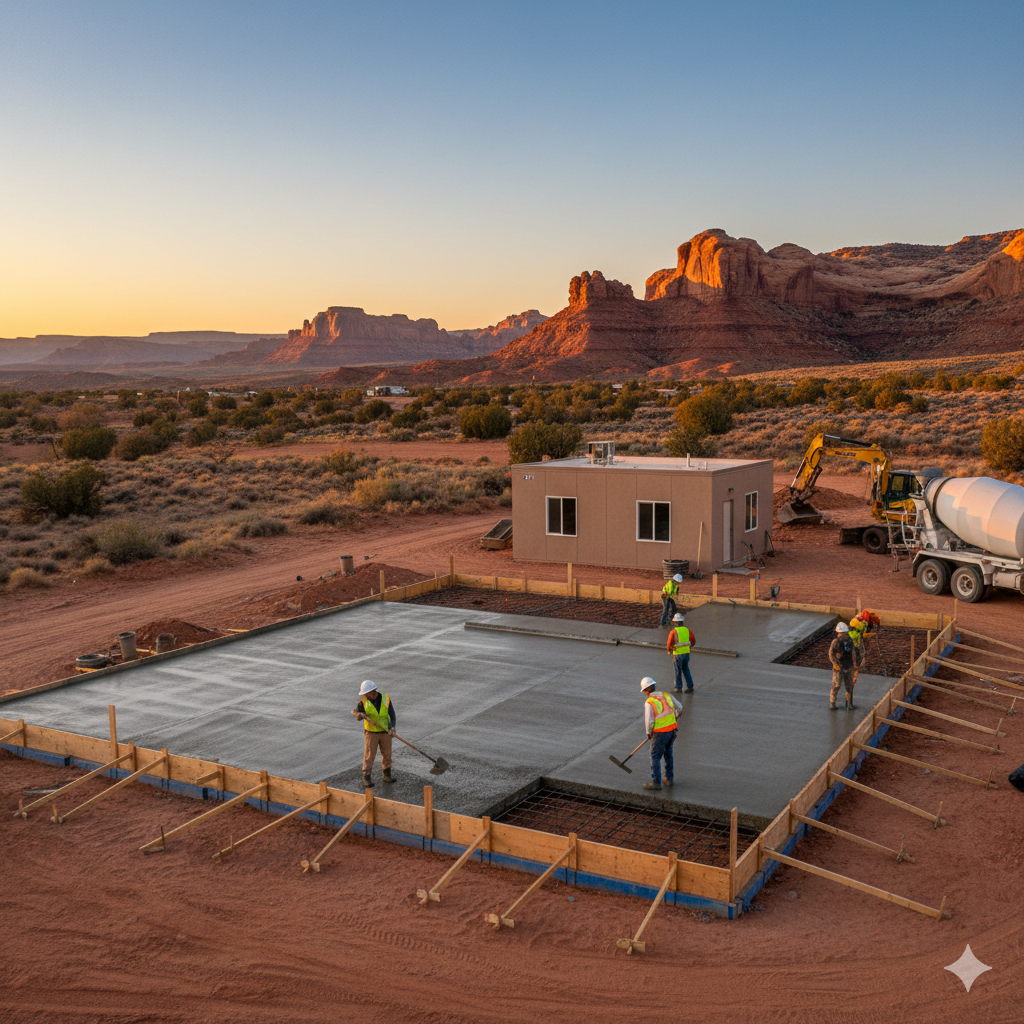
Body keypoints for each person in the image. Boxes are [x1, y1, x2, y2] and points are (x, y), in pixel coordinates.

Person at [640, 676, 682, 791]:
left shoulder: (649, 703)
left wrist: (649, 733)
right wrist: (676, 716)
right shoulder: (666, 695)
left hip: (660, 733)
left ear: (646, 690)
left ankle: (656, 782)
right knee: (668, 754)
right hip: (672, 730)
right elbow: (680, 708)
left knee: (655, 756)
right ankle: (669, 779)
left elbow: (649, 721)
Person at [352, 679, 396, 787]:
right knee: (369, 755)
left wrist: (393, 727)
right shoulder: (363, 702)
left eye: (371, 693)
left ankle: (387, 776)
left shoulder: (386, 698)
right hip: (371, 733)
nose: (369, 695)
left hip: (385, 731)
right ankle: (366, 778)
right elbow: (357, 713)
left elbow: (392, 714)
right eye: (367, 694)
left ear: (374, 691)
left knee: (387, 754)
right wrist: (359, 715)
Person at [828, 623, 859, 710]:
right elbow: (831, 654)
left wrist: (854, 664)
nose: (843, 635)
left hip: (848, 667)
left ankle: (849, 704)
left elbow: (853, 653)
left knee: (849, 686)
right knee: (836, 685)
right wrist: (835, 663)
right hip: (839, 668)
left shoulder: (850, 641)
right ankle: (832, 704)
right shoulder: (836, 642)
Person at [666, 612, 696, 693]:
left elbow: (669, 644)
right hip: (686, 653)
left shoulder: (673, 632)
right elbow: (693, 641)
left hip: (677, 654)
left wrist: (669, 650)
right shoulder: (687, 630)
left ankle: (678, 687)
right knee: (686, 669)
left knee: (677, 671)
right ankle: (690, 686)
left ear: (675, 622)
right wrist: (689, 646)